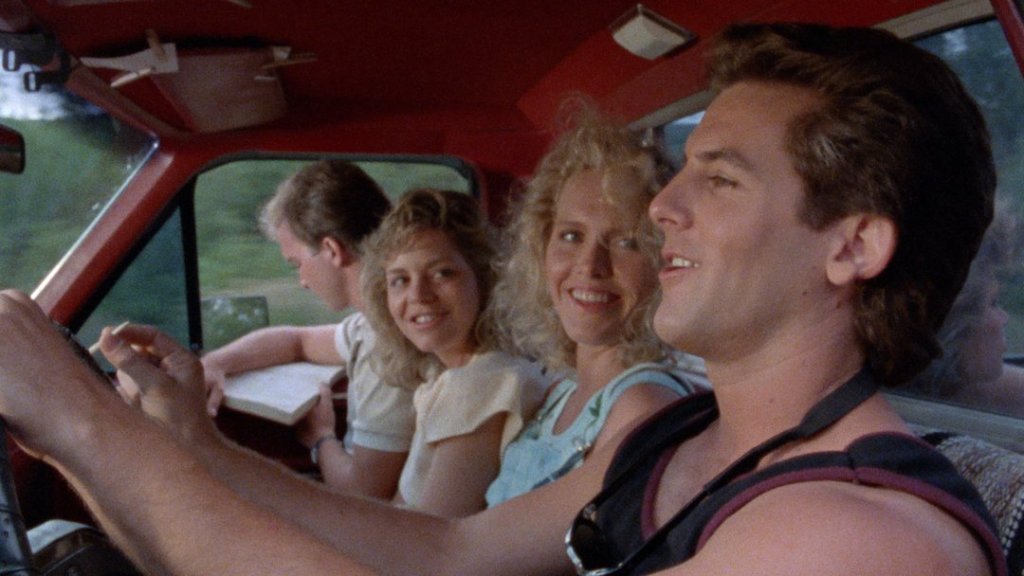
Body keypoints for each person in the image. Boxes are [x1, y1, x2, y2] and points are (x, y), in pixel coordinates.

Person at [0, 21, 1008, 576]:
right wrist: (193, 444)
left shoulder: (855, 540)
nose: (664, 209)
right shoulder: (688, 438)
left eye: (721, 179)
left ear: (852, 246)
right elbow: (448, 552)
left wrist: (87, 427)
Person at [484, 106, 705, 506]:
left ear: (665, 261)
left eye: (626, 242)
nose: (590, 265)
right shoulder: (561, 392)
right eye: (571, 236)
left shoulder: (644, 404)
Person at [200, 159, 416, 499]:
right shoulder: (370, 325)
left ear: (331, 250)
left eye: (297, 264)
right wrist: (214, 364)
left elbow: (365, 495)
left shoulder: (387, 345)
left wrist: (320, 438)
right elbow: (296, 341)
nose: (301, 281)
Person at [357, 187, 549, 515]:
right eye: (400, 280)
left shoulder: (482, 383)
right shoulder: (449, 377)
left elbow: (433, 534)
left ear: (485, 278)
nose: (418, 295)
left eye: (441, 273)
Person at [907, 210, 1024, 415]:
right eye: (993, 303)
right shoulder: (923, 415)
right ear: (952, 324)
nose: (1004, 319)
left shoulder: (949, 394)